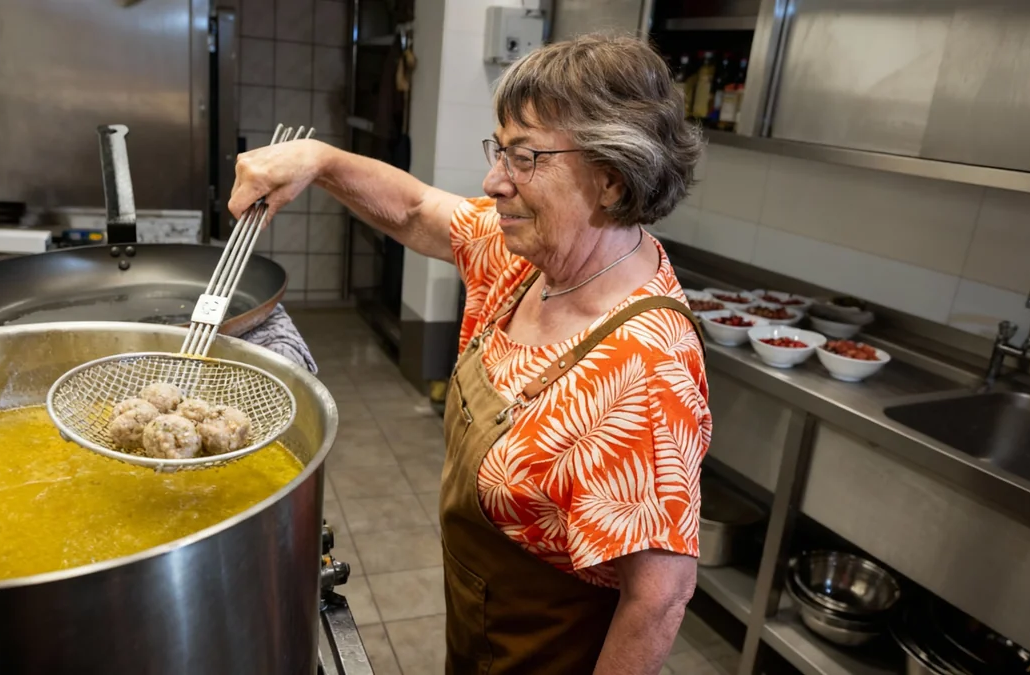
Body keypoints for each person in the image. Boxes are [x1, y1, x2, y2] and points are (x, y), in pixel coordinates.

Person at [229, 33, 710, 675]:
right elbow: (419, 210)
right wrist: (317, 159)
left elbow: (658, 597)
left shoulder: (643, 372)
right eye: (500, 150)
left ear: (613, 182)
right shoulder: (535, 260)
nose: (493, 182)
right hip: (478, 630)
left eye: (525, 157)